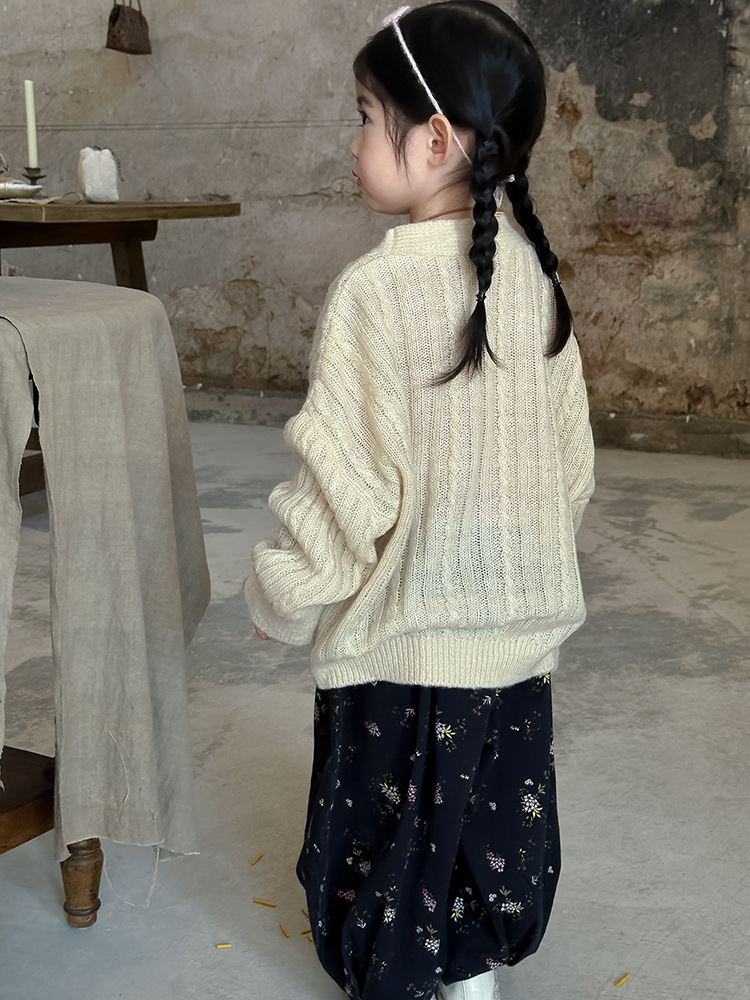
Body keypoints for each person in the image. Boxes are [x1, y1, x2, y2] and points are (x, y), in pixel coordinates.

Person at [244, 3, 595, 998]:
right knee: (488, 836)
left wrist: (284, 594)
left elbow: (346, 486)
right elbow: (569, 472)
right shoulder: (535, 280)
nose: (354, 142)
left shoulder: (375, 293)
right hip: (514, 657)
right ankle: (473, 974)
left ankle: (411, 972)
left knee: (390, 848)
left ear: (436, 138)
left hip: (400, 660)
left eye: (367, 116)